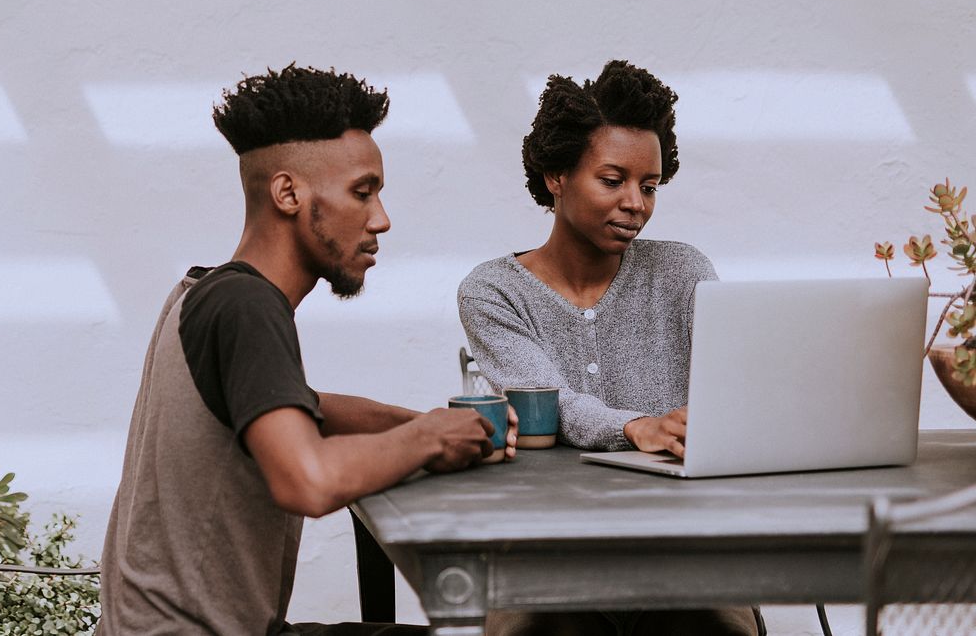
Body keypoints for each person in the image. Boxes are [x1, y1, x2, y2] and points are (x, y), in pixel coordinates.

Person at [97, 64, 516, 636]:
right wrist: (428, 436)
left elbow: (304, 407)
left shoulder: (205, 289)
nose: (382, 219)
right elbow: (307, 480)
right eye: (362, 192)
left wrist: (427, 423)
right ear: (288, 193)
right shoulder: (247, 306)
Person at [457, 61, 762, 635]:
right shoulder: (493, 291)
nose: (636, 204)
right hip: (544, 549)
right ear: (556, 175)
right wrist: (636, 427)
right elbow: (545, 399)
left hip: (682, 547)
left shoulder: (682, 272)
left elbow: (734, 394)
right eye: (612, 179)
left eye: (649, 187)